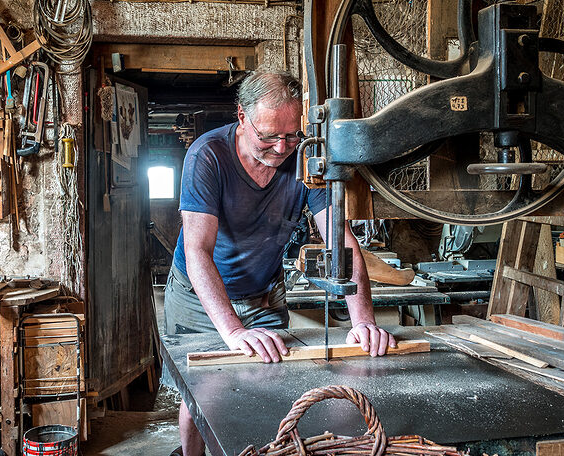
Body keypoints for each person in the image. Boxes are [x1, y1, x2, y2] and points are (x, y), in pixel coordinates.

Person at [164, 70, 395, 456]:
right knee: (202, 397)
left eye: (291, 135)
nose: (281, 147)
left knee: (273, 383)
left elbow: (344, 243)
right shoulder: (207, 156)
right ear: (242, 117)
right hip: (197, 293)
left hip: (264, 291)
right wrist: (233, 331)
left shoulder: (307, 159)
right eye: (269, 136)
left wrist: (363, 322)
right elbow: (197, 251)